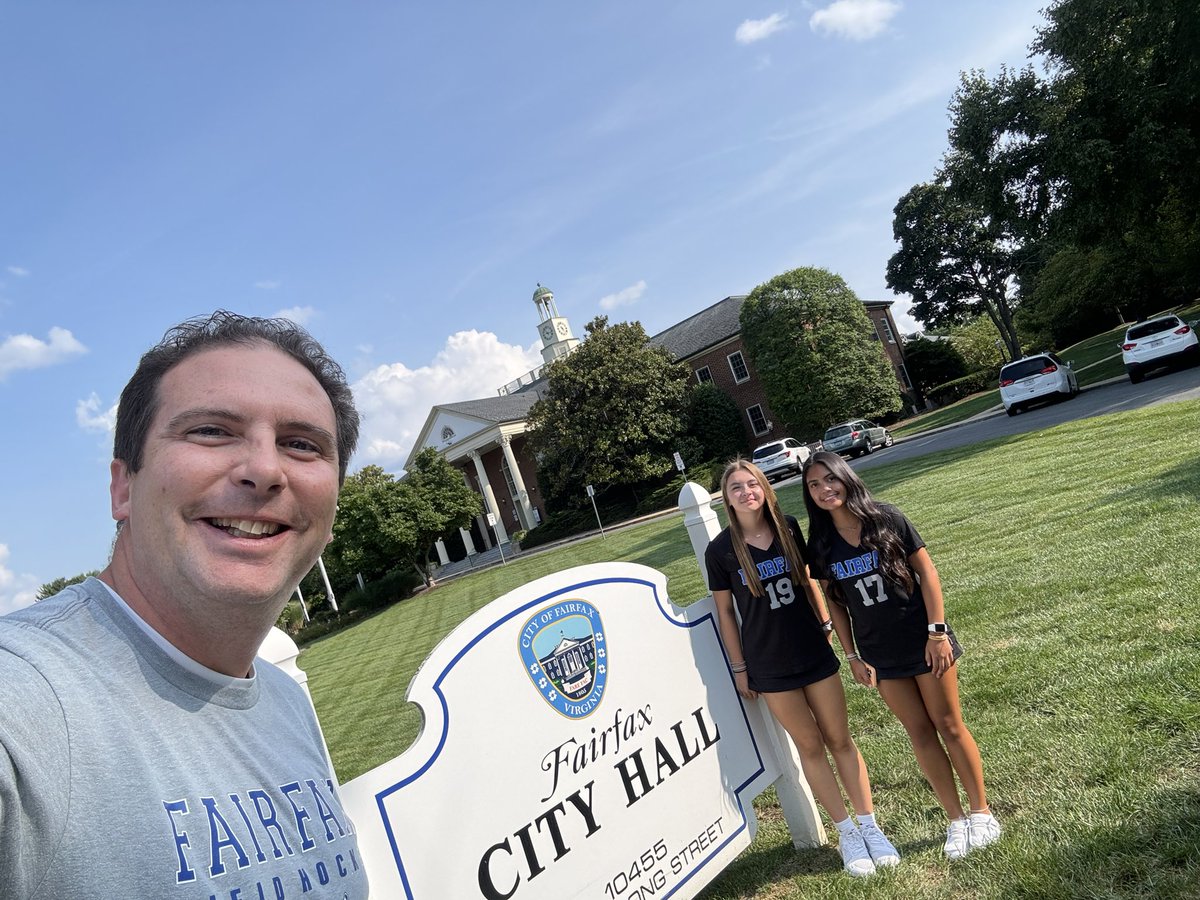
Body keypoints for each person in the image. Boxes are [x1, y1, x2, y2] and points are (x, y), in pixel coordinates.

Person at [0, 311, 370, 899]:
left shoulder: (286, 703)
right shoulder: (24, 703)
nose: (264, 470)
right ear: (123, 487)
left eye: (301, 445)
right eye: (212, 431)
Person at [801, 450, 1001, 860]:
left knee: (949, 724)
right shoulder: (820, 543)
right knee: (919, 732)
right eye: (814, 485)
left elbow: (927, 572)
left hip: (923, 639)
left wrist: (937, 632)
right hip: (880, 654)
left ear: (845, 477)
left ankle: (982, 813)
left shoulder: (886, 517)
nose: (824, 489)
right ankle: (956, 820)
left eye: (829, 479)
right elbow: (835, 601)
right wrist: (852, 655)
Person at [705, 458, 901, 878]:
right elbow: (725, 612)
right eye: (736, 488)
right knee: (810, 746)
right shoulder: (720, 550)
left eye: (752, 484)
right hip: (769, 663)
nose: (746, 492)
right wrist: (739, 667)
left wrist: (826, 622)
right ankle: (847, 833)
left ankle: (870, 826)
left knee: (840, 739)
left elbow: (810, 580)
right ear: (727, 499)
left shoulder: (789, 527)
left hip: (812, 650)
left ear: (764, 489)